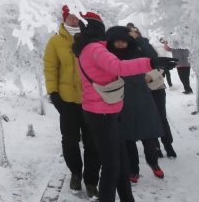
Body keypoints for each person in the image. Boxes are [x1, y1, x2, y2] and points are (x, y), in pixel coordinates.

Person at [72, 12, 177, 202]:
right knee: (112, 166)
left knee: (120, 162)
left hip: (107, 111)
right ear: (97, 28)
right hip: (101, 113)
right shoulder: (95, 49)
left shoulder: (89, 48)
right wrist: (151, 62)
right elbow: (119, 67)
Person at [43, 5, 100, 198]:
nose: (75, 20)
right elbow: (50, 68)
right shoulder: (55, 41)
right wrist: (53, 93)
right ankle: (76, 172)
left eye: (78, 17)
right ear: (65, 18)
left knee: (93, 141)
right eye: (71, 17)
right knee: (69, 141)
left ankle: (91, 180)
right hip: (67, 101)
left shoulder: (89, 39)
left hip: (91, 100)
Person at [109, 25, 164, 182]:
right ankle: (133, 169)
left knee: (149, 136)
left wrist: (139, 38)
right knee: (127, 138)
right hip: (121, 99)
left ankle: (153, 163)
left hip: (142, 98)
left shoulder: (136, 52)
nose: (120, 45)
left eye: (123, 42)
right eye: (117, 42)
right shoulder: (110, 57)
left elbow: (152, 56)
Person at [129, 25, 176, 159]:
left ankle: (168, 144)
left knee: (161, 117)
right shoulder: (128, 50)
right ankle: (155, 147)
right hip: (140, 90)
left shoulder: (148, 46)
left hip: (157, 87)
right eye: (129, 33)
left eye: (134, 32)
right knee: (148, 119)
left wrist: (150, 76)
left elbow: (161, 64)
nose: (132, 35)